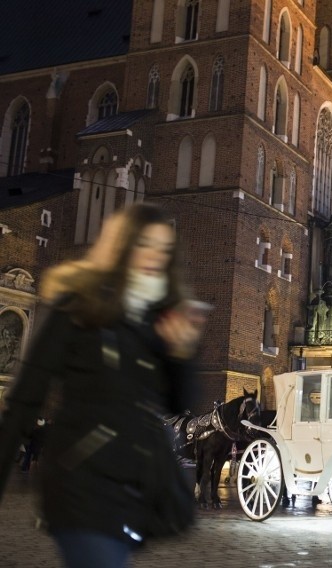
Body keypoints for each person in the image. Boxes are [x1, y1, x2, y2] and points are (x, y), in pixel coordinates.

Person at [0, 203, 204, 568]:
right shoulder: (78, 306)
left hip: (132, 494)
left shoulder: (155, 318)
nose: (154, 256)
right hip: (81, 485)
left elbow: (178, 403)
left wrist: (182, 353)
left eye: (163, 248)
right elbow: (26, 397)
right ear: (121, 246)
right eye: (144, 244)